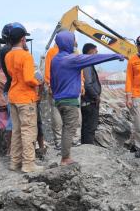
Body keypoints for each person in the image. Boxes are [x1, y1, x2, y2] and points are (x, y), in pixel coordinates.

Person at [51, 31, 123, 165]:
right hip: (69, 100)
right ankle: (65, 158)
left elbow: (53, 80)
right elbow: (94, 58)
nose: (75, 43)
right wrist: (115, 55)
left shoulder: (55, 59)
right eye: (73, 41)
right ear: (67, 42)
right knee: (69, 128)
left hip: (58, 99)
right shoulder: (72, 59)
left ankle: (65, 156)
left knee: (67, 127)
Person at [5, 23, 43, 173]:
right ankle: (28, 164)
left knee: (17, 131)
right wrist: (38, 81)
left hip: (13, 96)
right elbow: (28, 78)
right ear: (22, 39)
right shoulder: (26, 56)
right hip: (26, 98)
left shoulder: (8, 55)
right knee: (29, 131)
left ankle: (15, 162)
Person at [81, 43, 103, 145]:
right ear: (90, 51)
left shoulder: (84, 62)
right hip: (90, 102)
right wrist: (96, 96)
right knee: (90, 127)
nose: (97, 53)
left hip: (87, 102)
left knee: (86, 127)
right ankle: (88, 149)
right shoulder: (87, 64)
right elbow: (88, 84)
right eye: (96, 51)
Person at [44, 42, 63, 148]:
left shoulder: (52, 52)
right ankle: (62, 140)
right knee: (59, 114)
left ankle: (60, 140)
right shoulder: (52, 52)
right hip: (61, 88)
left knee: (58, 114)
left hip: (59, 87)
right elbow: (47, 71)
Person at [0, 66, 12, 155]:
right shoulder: (4, 75)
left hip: (0, 105)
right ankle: (9, 149)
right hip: (6, 104)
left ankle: (8, 149)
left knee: (6, 129)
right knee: (9, 128)